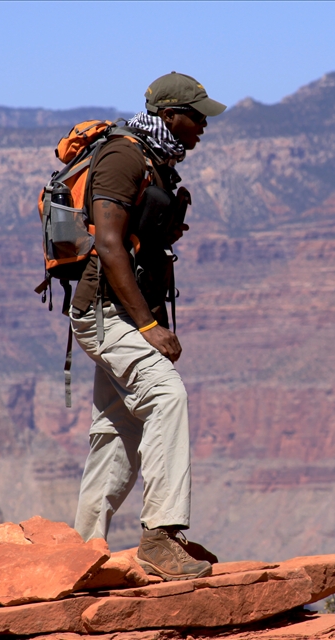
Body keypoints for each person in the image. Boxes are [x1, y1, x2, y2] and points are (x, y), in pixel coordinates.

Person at [69, 72, 225, 581]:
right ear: (169, 114)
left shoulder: (157, 161)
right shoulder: (124, 156)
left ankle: (81, 550)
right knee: (166, 396)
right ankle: (160, 537)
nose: (203, 126)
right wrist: (149, 326)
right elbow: (108, 243)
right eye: (196, 116)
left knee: (119, 429)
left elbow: (135, 239)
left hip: (124, 312)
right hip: (106, 313)